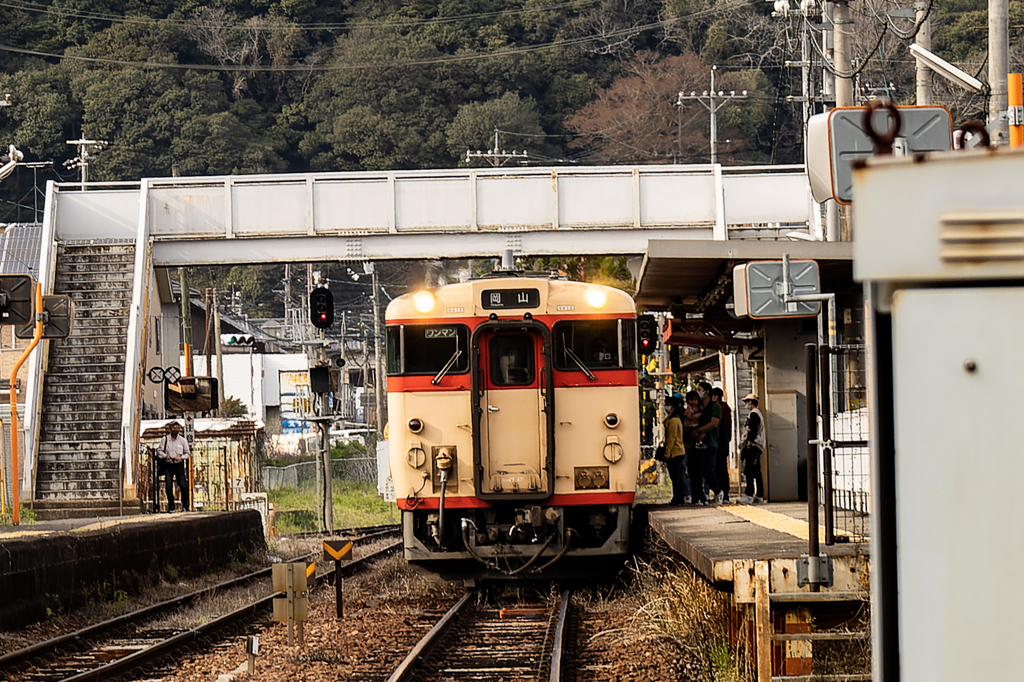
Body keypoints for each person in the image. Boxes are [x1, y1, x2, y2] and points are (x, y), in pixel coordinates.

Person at [689, 381, 721, 505]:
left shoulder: (714, 407)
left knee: (708, 470)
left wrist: (699, 431)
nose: (698, 392)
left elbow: (714, 423)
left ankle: (718, 491)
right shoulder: (698, 407)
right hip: (697, 444)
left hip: (710, 443)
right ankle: (700, 497)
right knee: (695, 471)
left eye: (700, 389)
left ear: (707, 391)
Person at [662, 395, 691, 505]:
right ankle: (678, 497)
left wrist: (667, 453)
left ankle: (678, 498)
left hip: (676, 453)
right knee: (676, 477)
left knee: (677, 478)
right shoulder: (675, 419)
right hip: (677, 452)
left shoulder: (673, 421)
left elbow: (671, 438)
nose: (666, 407)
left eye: (668, 404)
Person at [157, 421, 191, 512]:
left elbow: (187, 453)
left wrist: (181, 457)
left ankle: (185, 505)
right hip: (168, 464)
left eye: (177, 427)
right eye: (173, 427)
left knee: (183, 485)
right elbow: (159, 451)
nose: (175, 429)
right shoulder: (165, 439)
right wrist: (165, 456)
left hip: (178, 464)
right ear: (170, 428)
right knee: (168, 486)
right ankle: (171, 506)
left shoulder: (183, 440)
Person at [739, 393, 766, 504]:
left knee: (748, 470)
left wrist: (747, 443)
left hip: (753, 445)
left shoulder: (754, 414)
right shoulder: (757, 414)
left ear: (750, 402)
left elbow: (752, 431)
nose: (746, 404)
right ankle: (759, 495)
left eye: (747, 402)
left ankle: (749, 494)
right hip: (758, 446)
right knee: (756, 471)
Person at [711, 387, 732, 504]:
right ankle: (723, 494)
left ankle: (724, 494)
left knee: (720, 469)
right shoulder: (725, 407)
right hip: (723, 443)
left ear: (716, 396)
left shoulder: (720, 408)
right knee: (721, 469)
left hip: (720, 444)